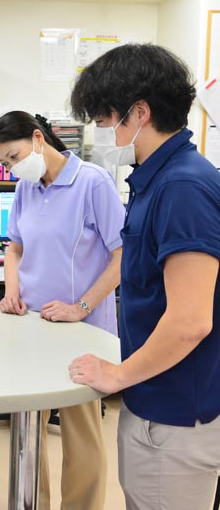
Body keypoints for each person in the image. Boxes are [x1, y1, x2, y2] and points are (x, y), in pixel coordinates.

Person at [68, 43, 220, 510]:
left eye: (102, 120)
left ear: (139, 112)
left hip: (172, 415)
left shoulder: (182, 187)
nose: (100, 134)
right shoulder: (155, 179)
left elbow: (191, 320)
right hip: (153, 397)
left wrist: (117, 375)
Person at [0, 111, 124, 510]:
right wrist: (12, 290)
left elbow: (123, 254)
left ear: (37, 138)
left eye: (14, 156)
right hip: (31, 326)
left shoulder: (92, 183)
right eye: (5, 163)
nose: (12, 168)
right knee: (28, 432)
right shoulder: (28, 186)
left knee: (81, 436)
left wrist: (81, 308)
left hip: (83, 331)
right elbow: (14, 246)